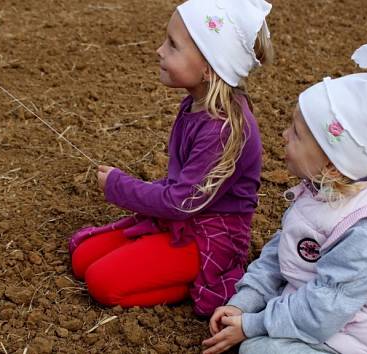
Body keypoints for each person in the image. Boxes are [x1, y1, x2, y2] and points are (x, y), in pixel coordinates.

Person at [203, 44, 367, 354]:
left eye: (296, 133)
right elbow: (282, 250)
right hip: (319, 310)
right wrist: (244, 304)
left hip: (356, 339)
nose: (284, 135)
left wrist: (253, 325)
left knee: (257, 349)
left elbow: (325, 308)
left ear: (333, 165)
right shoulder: (324, 187)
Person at [68, 0, 274, 316]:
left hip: (211, 236)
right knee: (83, 257)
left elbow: (180, 202)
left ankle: (202, 279)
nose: (159, 51)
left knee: (101, 282)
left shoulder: (223, 128)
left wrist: (118, 186)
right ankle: (165, 267)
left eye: (173, 45)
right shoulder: (195, 104)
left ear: (209, 66)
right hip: (184, 217)